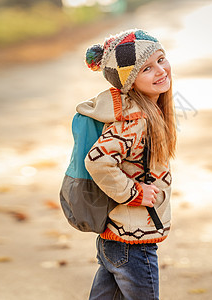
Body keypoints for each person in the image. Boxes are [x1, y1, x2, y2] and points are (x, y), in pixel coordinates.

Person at [78, 29, 176, 300]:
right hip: (133, 241)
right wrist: (135, 192)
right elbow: (98, 161)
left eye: (161, 59)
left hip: (117, 237)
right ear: (129, 82)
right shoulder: (134, 121)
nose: (160, 70)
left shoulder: (145, 112)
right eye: (146, 68)